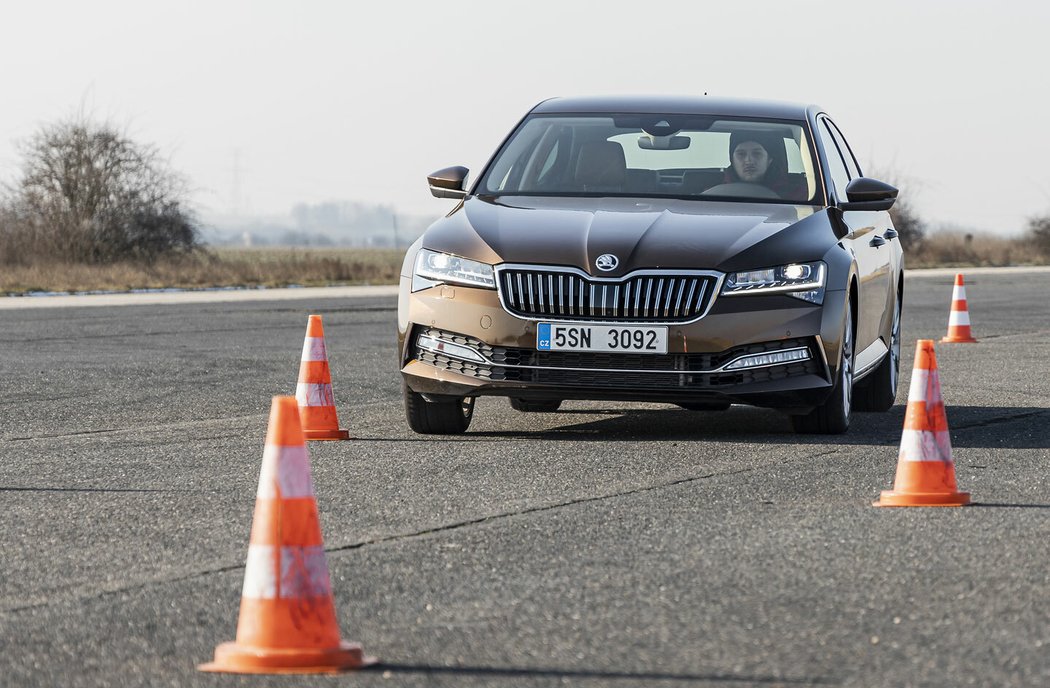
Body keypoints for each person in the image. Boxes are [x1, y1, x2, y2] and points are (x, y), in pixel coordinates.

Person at [723, 130, 807, 200]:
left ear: (769, 159)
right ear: (732, 160)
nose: (748, 160)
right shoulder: (713, 195)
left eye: (757, 154)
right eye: (741, 154)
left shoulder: (798, 197)